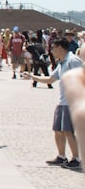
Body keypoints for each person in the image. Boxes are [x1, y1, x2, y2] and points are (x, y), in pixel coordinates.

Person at [30, 37, 82, 170]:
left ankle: (76, 158)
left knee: (67, 131)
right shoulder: (62, 63)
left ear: (59, 48)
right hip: (62, 102)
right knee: (58, 130)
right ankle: (61, 156)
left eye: (53, 48)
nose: (51, 51)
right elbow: (50, 79)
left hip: (71, 102)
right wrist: (33, 77)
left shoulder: (73, 61)